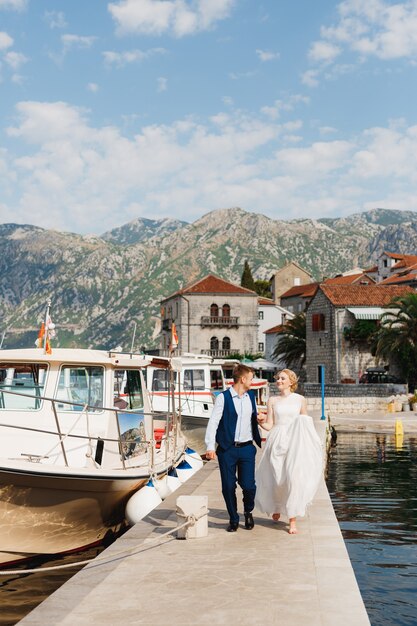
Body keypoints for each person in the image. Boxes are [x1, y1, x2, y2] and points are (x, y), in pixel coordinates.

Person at [255, 369, 323, 534]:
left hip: (295, 441)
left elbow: (305, 422)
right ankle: (277, 506)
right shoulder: (272, 400)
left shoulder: (300, 399)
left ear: (291, 382)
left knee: (293, 477)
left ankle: (292, 519)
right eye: (278, 378)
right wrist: (259, 423)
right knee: (277, 477)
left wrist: (313, 442)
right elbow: (270, 425)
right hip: (277, 440)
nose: (278, 380)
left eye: (282, 378)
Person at [205, 364, 262, 532]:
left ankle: (248, 511)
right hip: (227, 449)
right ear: (242, 379)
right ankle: (234, 518)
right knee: (228, 486)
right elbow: (214, 422)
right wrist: (210, 446)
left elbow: (253, 418)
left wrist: (260, 419)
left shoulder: (251, 396)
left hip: (247, 449)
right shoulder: (223, 398)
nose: (252, 381)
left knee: (249, 486)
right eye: (251, 378)